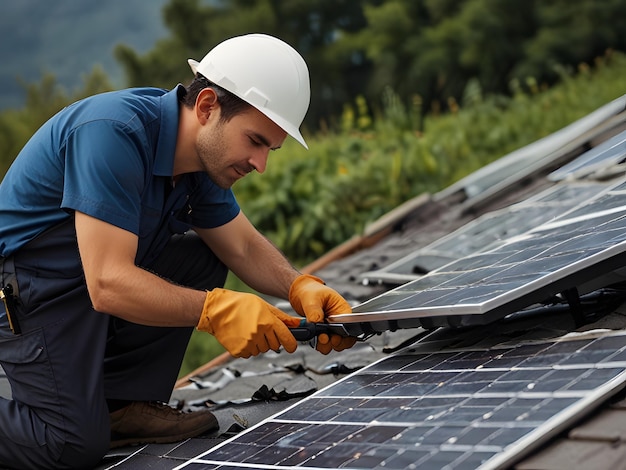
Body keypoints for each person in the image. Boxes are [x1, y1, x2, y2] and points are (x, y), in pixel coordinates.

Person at [0, 33, 356, 469]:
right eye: (256, 141)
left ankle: (119, 406)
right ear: (207, 107)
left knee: (202, 256)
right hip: (27, 292)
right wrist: (216, 310)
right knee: (69, 445)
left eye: (271, 150)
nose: (260, 164)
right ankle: (84, 421)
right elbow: (108, 282)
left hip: (80, 284)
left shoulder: (201, 162)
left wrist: (299, 285)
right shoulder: (114, 133)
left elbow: (240, 245)